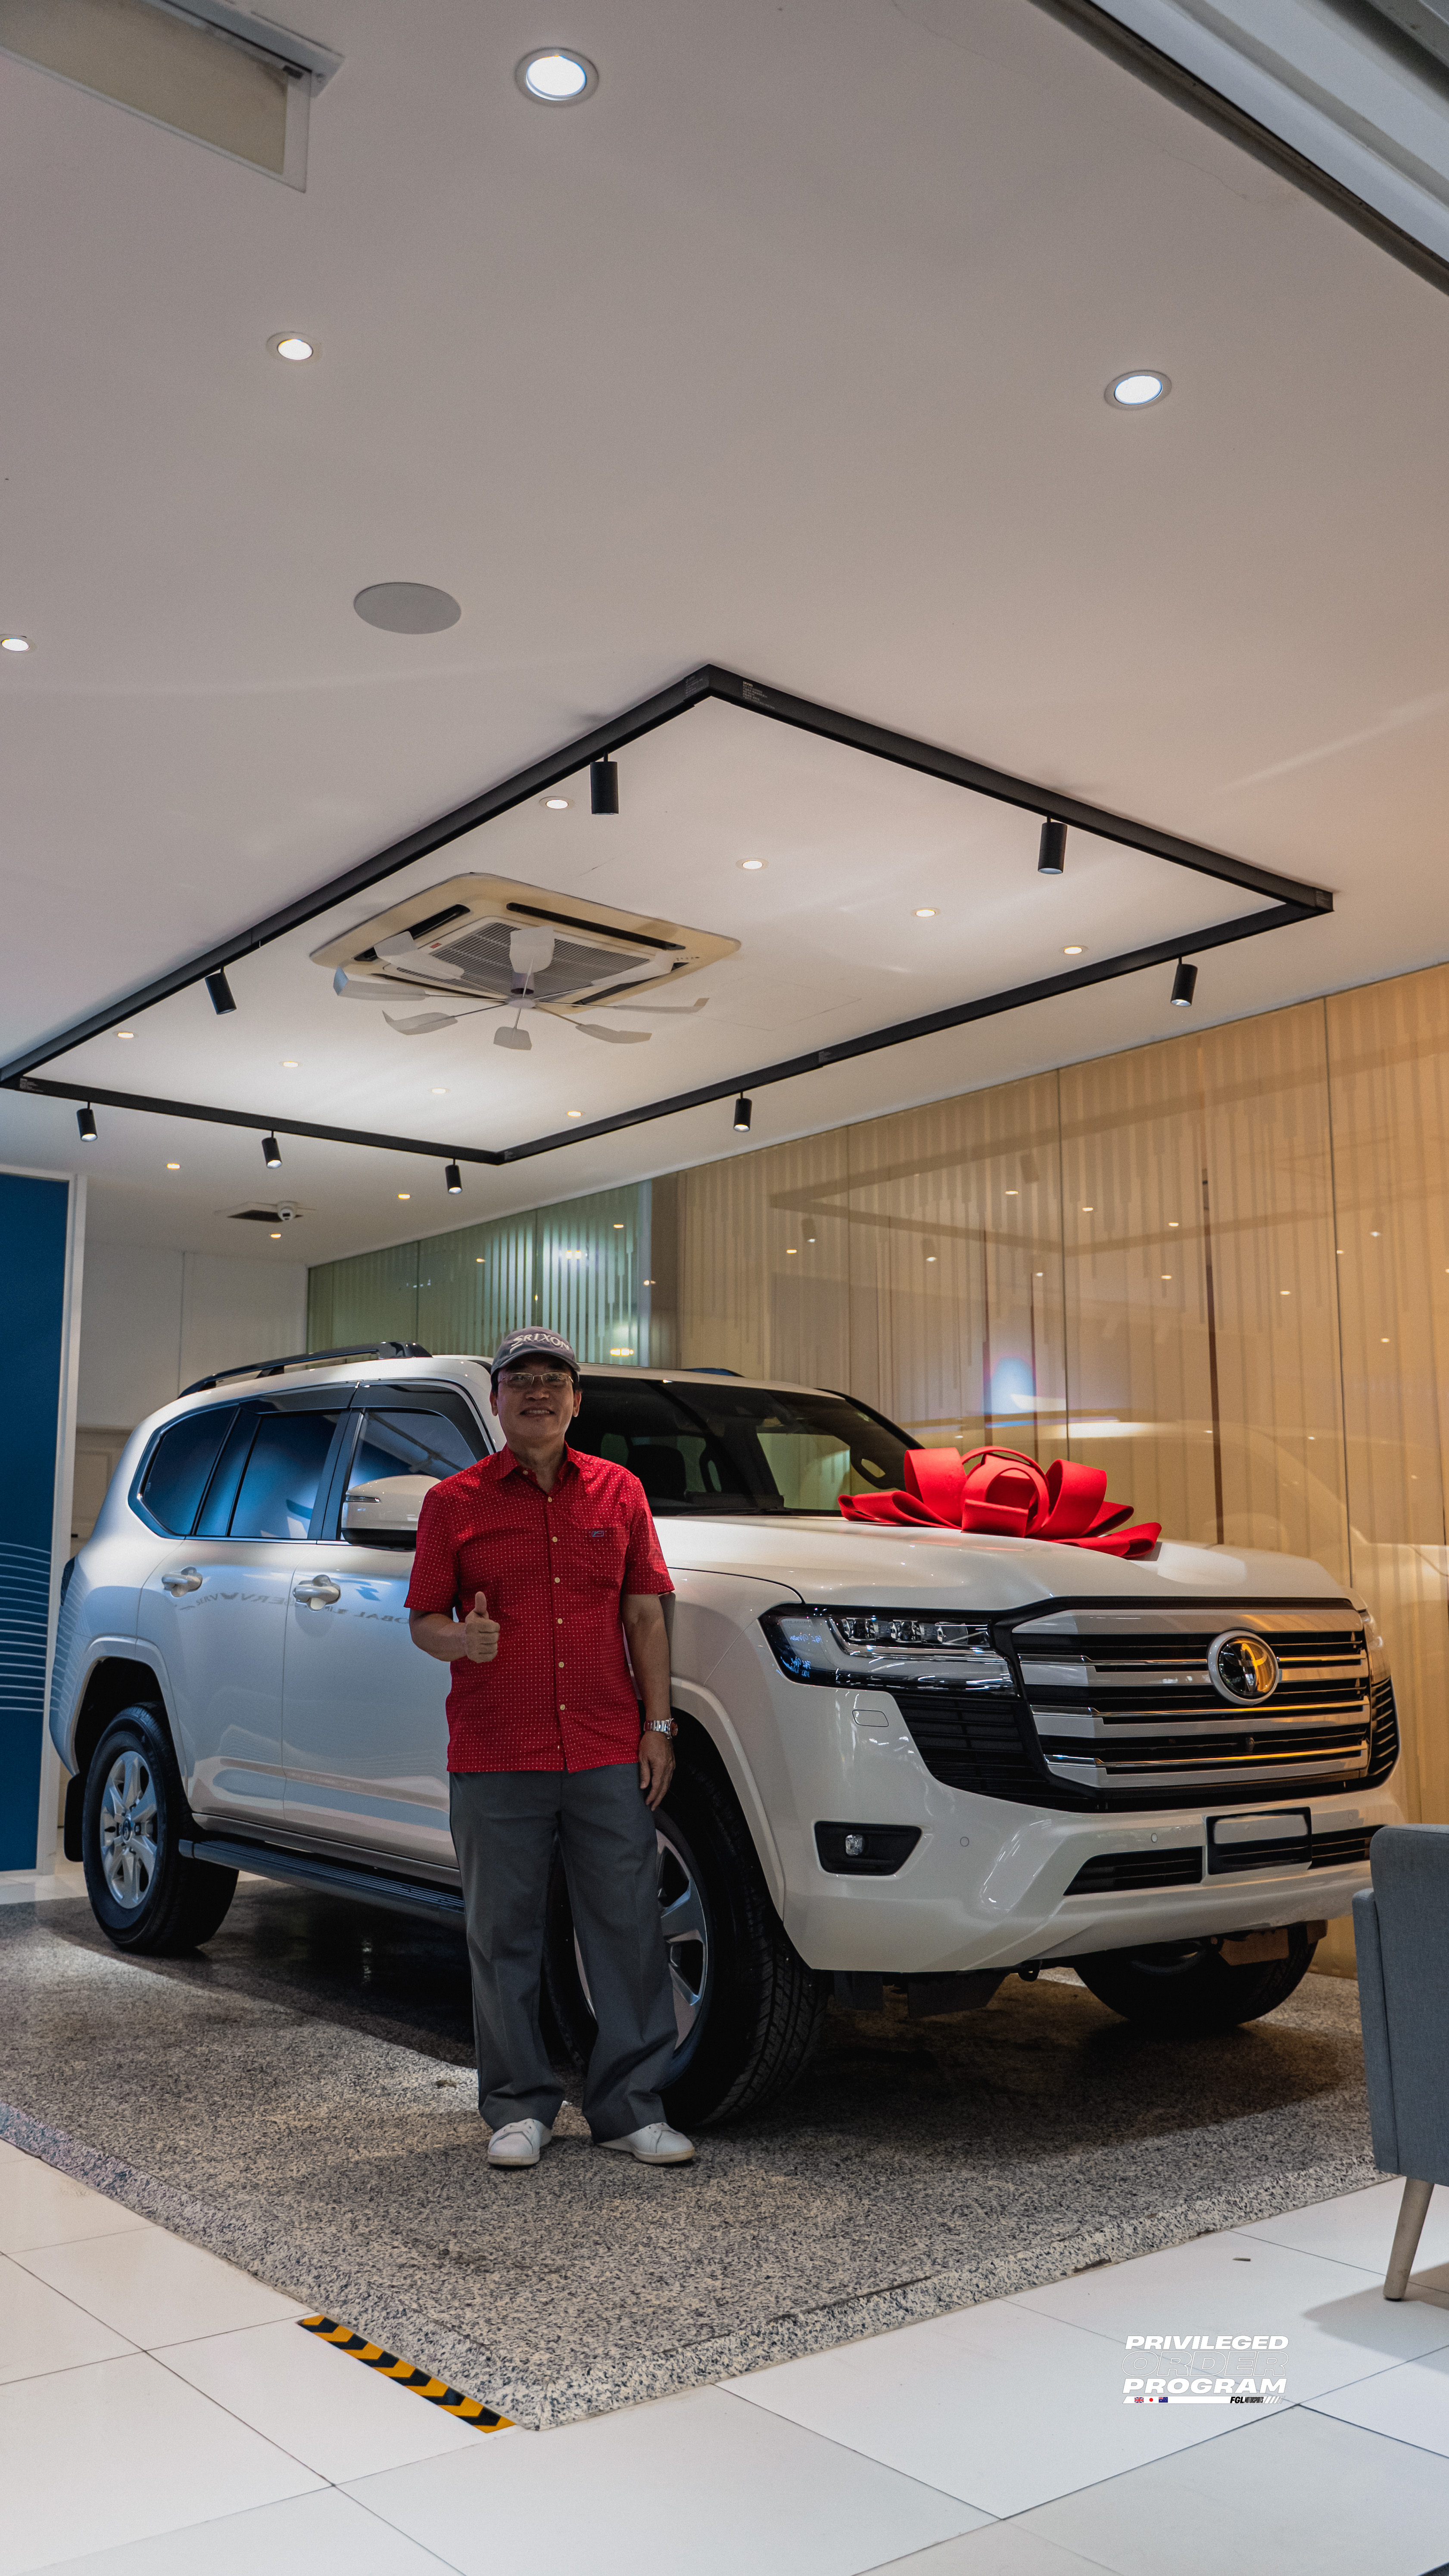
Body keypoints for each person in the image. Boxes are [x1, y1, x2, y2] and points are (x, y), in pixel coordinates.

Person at [406, 1326, 694, 2169]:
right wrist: (461, 1641)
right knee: (503, 1938)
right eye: (521, 1378)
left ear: (576, 1400)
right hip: (497, 1751)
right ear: (496, 1399)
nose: (538, 1391)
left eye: (554, 1379)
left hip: (605, 1745)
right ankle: (517, 2106)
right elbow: (423, 1619)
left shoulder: (618, 1492)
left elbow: (645, 1616)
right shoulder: (453, 1503)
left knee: (628, 1932)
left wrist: (659, 1724)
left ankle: (631, 2109)